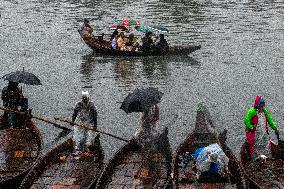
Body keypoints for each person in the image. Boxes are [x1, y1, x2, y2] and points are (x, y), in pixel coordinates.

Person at [72, 91, 97, 156]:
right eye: (83, 98)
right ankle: (77, 149)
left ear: (88, 98)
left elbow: (95, 115)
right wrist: (73, 121)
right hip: (80, 123)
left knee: (89, 137)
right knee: (78, 136)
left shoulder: (91, 105)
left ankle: (87, 149)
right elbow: (75, 113)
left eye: (86, 98)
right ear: (82, 98)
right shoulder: (79, 104)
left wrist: (95, 125)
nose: (85, 99)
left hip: (89, 123)